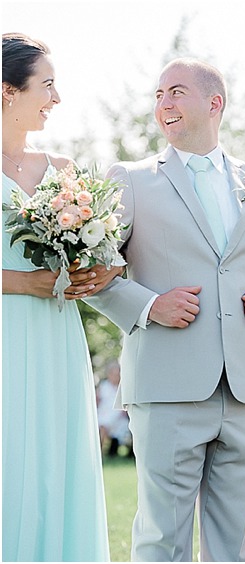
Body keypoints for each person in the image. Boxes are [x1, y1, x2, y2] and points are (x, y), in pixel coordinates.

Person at [85, 58, 245, 561]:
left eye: (176, 92)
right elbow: (92, 271)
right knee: (161, 537)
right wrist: (149, 305)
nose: (163, 104)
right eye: (158, 95)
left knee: (236, 540)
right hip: (168, 383)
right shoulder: (129, 179)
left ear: (215, 104)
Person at [2, 32, 119, 561]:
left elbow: (97, 258)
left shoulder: (64, 171)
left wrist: (91, 269)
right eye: (46, 85)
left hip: (54, 333)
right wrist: (19, 281)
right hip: (7, 328)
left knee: (55, 456)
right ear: (8, 91)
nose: (56, 98)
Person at [96, 361, 131, 456]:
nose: (116, 377)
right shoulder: (103, 386)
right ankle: (98, 452)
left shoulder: (123, 388)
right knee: (102, 425)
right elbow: (97, 401)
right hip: (104, 414)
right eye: (114, 374)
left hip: (119, 416)